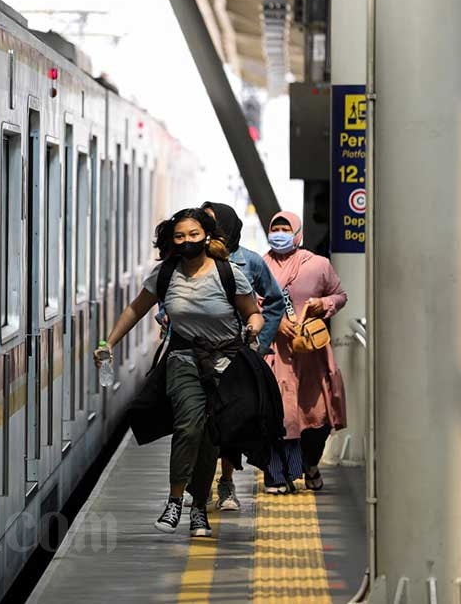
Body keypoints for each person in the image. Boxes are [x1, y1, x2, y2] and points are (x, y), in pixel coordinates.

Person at [94, 208, 264, 538]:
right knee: (188, 424)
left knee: (210, 437)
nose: (187, 242)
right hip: (183, 357)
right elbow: (135, 309)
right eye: (180, 236)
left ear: (207, 236)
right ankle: (175, 500)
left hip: (225, 362)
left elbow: (252, 313)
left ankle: (199, 507)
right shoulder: (166, 274)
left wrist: (253, 330)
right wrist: (109, 342)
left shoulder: (228, 273)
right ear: (172, 241)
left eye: (194, 235)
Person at [196, 202, 284, 510]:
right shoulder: (192, 259)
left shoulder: (250, 261)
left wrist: (260, 337)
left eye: (209, 222)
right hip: (197, 353)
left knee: (231, 419)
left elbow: (274, 301)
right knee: (198, 421)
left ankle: (227, 483)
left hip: (236, 354)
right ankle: (203, 482)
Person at [263, 211, 348, 492]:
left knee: (316, 416)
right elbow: (251, 302)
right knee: (279, 415)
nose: (279, 233)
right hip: (276, 353)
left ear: (297, 233)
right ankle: (277, 475)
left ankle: (310, 464)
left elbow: (340, 295)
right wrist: (276, 324)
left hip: (312, 352)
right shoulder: (260, 265)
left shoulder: (318, 265)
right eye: (275, 228)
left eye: (285, 228)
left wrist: (322, 305)